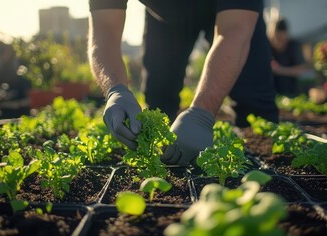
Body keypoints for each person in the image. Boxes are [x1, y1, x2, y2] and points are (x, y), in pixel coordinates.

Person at [88, 0, 279, 166]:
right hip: (165, 18)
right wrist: (116, 90)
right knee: (158, 99)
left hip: (232, 15)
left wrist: (202, 112)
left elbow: (234, 30)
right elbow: (104, 30)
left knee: (255, 104)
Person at [269, 18, 310, 97]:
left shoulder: (294, 46)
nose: (280, 41)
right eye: (277, 38)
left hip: (293, 92)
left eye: (282, 38)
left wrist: (280, 70)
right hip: (272, 93)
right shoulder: (267, 47)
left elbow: (303, 70)